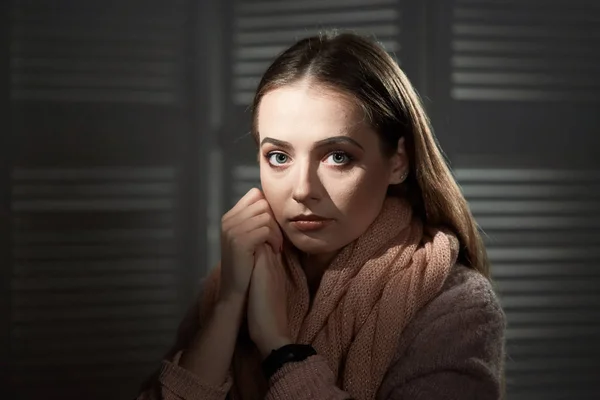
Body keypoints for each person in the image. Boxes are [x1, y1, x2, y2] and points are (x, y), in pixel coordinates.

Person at [136, 32, 506, 400]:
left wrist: (279, 348)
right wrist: (229, 303)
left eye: (337, 156)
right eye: (279, 157)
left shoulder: (456, 304)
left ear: (398, 162)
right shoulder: (228, 281)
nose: (302, 189)